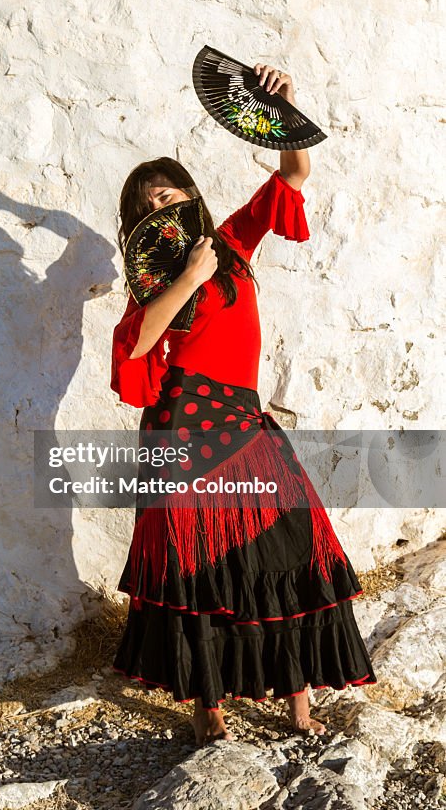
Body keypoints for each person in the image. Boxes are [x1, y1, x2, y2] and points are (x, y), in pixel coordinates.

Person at [110, 64, 377, 745]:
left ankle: (295, 705)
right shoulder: (151, 281)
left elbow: (291, 176)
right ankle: (209, 708)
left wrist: (281, 108)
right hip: (181, 431)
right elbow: (139, 344)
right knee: (199, 572)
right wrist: (188, 278)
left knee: (283, 554)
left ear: (188, 197)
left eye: (164, 193)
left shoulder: (229, 241)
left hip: (245, 425)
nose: (155, 207)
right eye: (142, 206)